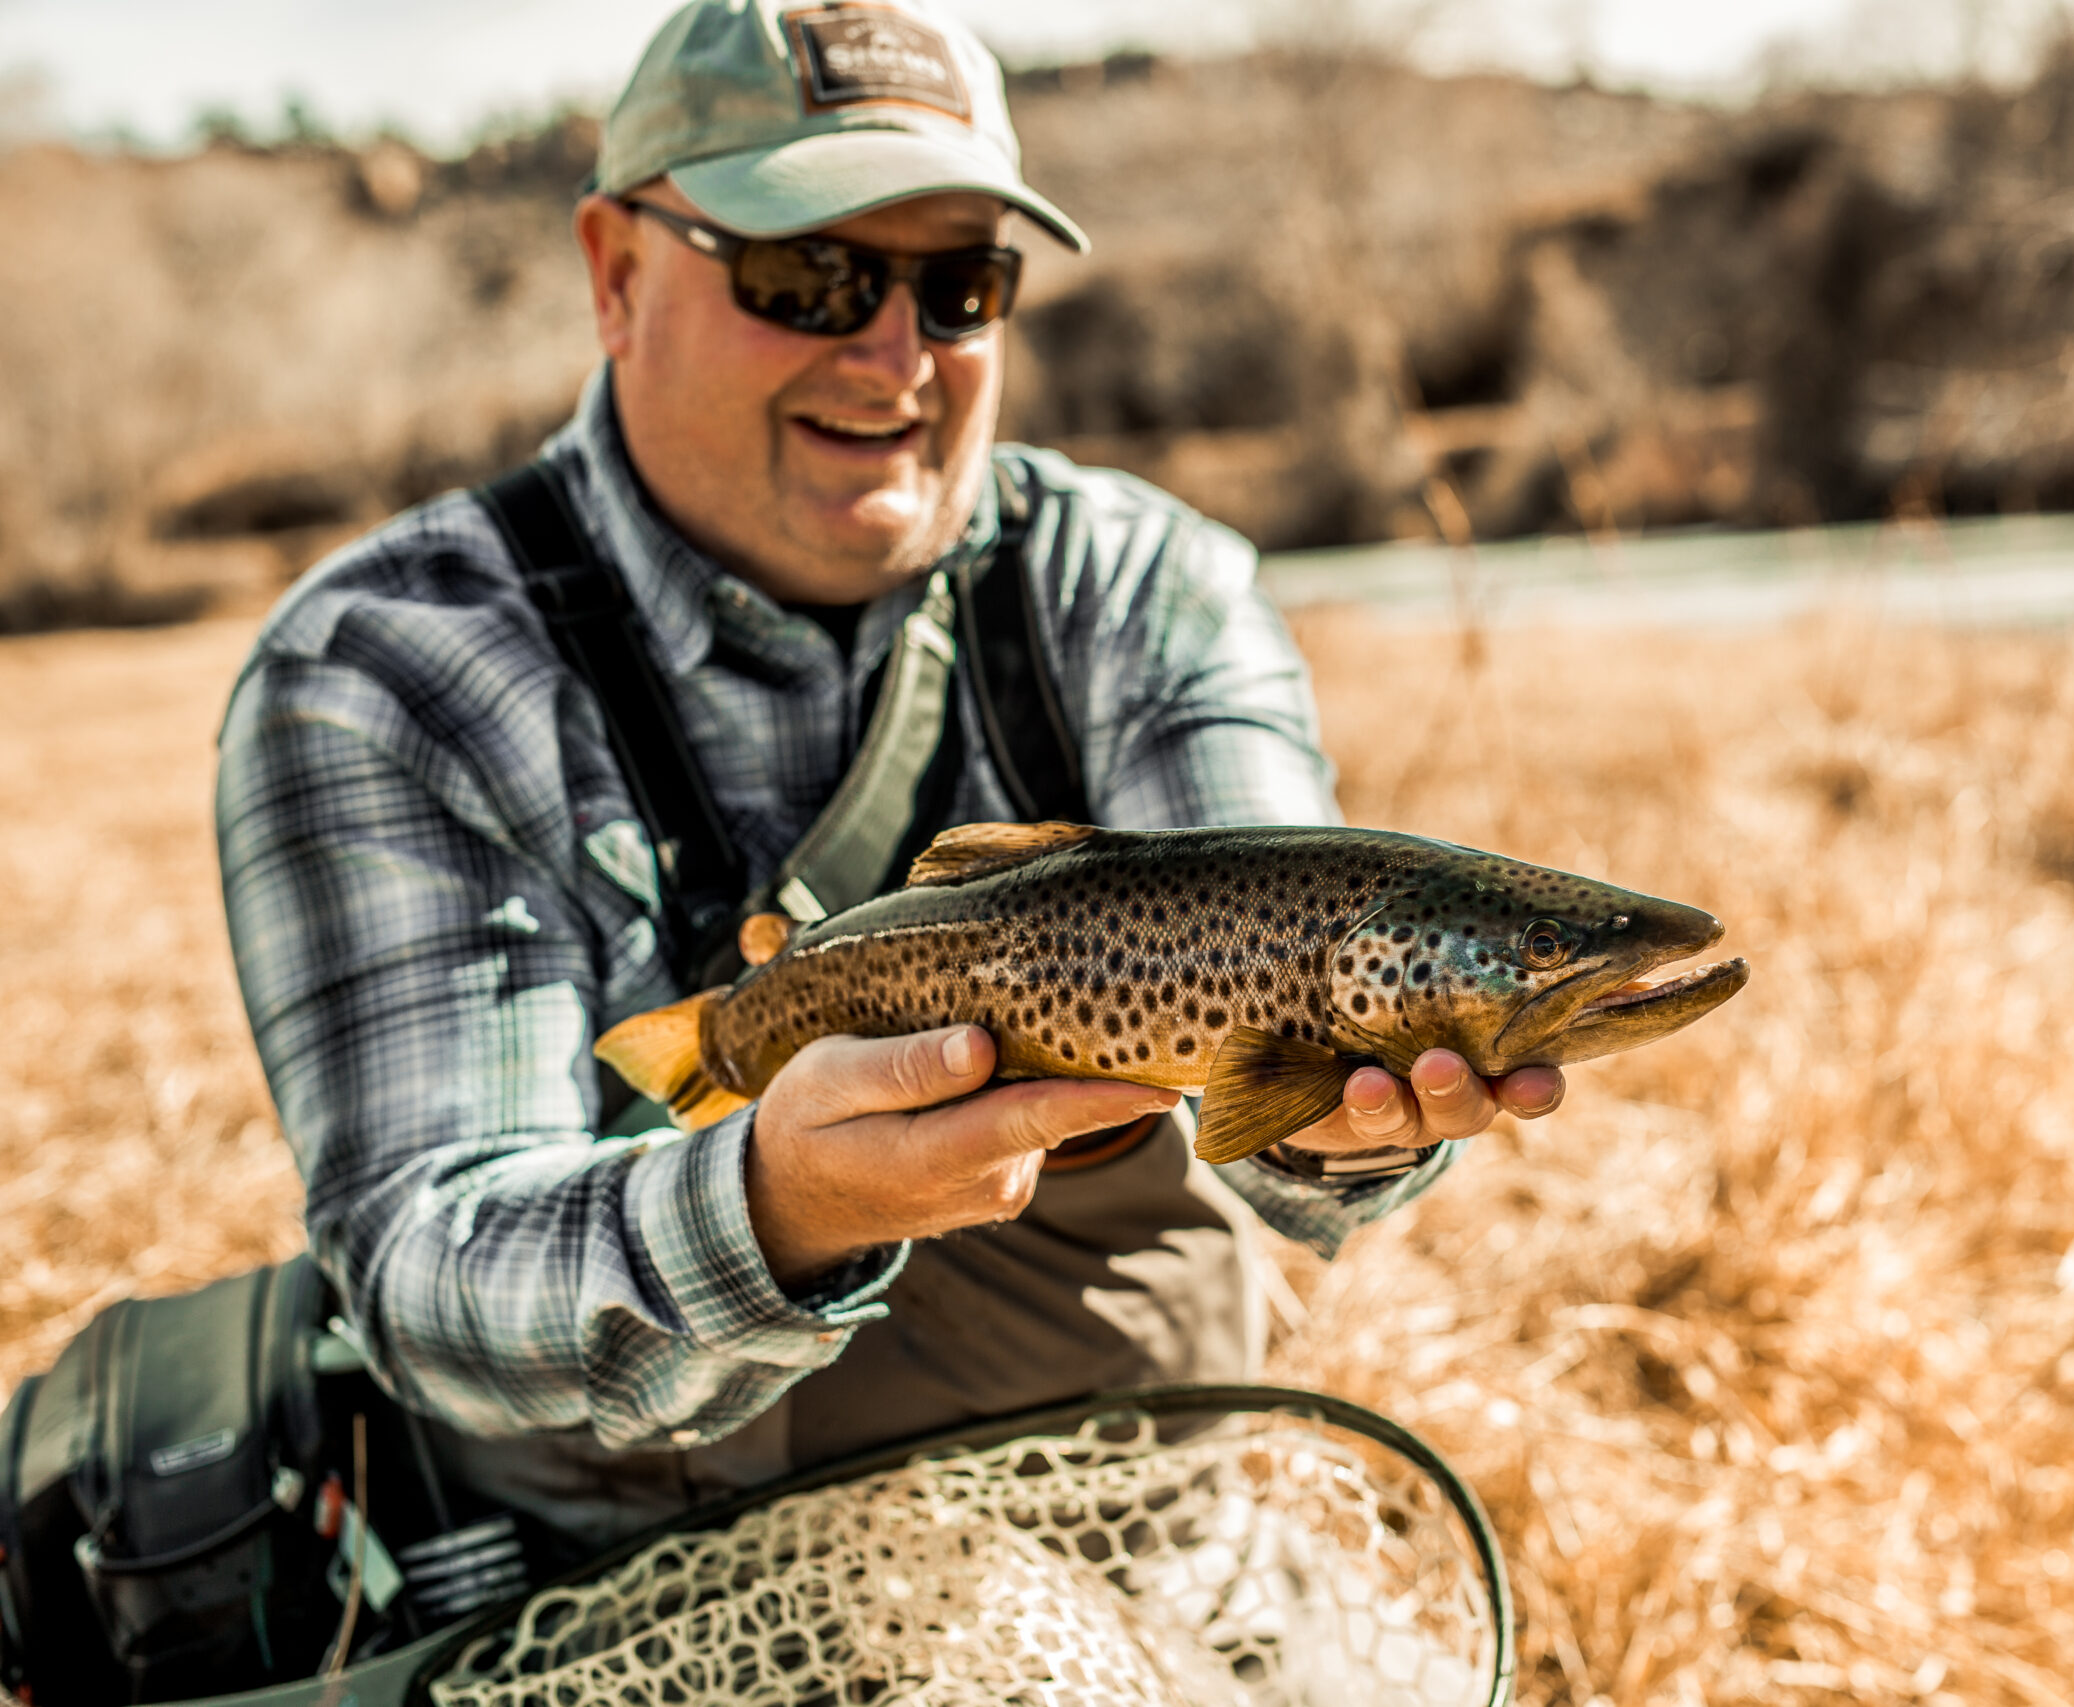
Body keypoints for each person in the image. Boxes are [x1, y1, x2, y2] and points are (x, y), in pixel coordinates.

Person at [216, 0, 1566, 1554]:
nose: (895, 352)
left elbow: (1307, 1106)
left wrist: (1362, 1121)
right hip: (634, 1574)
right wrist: (770, 1212)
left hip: (1128, 1533)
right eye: (813, 275)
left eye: (960, 284)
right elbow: (425, 1275)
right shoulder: (387, 668)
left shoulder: (1139, 586)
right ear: (616, 275)